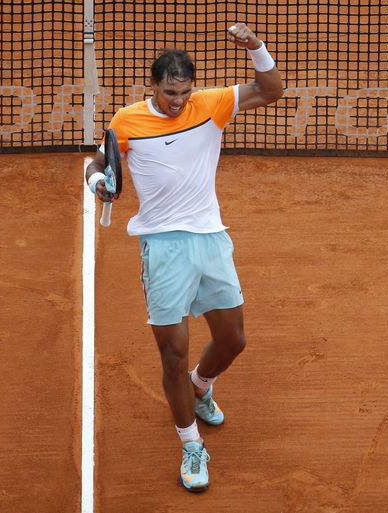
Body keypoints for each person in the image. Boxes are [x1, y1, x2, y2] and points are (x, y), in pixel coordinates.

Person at [85, 23, 283, 493]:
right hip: (163, 247)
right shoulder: (126, 121)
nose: (178, 101)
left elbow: (272, 89)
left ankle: (201, 385)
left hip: (211, 239)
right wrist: (98, 184)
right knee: (172, 354)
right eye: (171, 92)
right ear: (153, 86)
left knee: (232, 341)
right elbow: (99, 163)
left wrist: (255, 46)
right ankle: (191, 444)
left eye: (185, 92)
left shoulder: (210, 105)